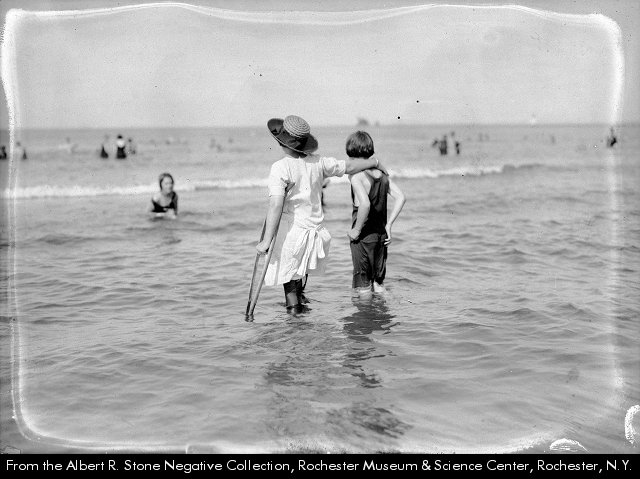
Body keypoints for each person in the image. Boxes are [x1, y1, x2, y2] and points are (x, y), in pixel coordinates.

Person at [255, 115, 386, 314]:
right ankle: (301, 314)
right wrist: (374, 162)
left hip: (293, 232)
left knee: (289, 282)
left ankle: (295, 320)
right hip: (315, 232)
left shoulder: (280, 167)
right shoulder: (318, 162)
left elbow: (275, 205)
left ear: (281, 142)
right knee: (299, 275)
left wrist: (266, 241)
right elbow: (349, 167)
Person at [346, 131, 405, 296]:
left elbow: (365, 204)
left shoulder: (356, 177)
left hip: (364, 237)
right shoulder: (383, 175)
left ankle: (369, 314)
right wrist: (389, 225)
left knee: (363, 288)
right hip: (380, 235)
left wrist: (356, 230)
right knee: (378, 284)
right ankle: (385, 309)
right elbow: (401, 197)